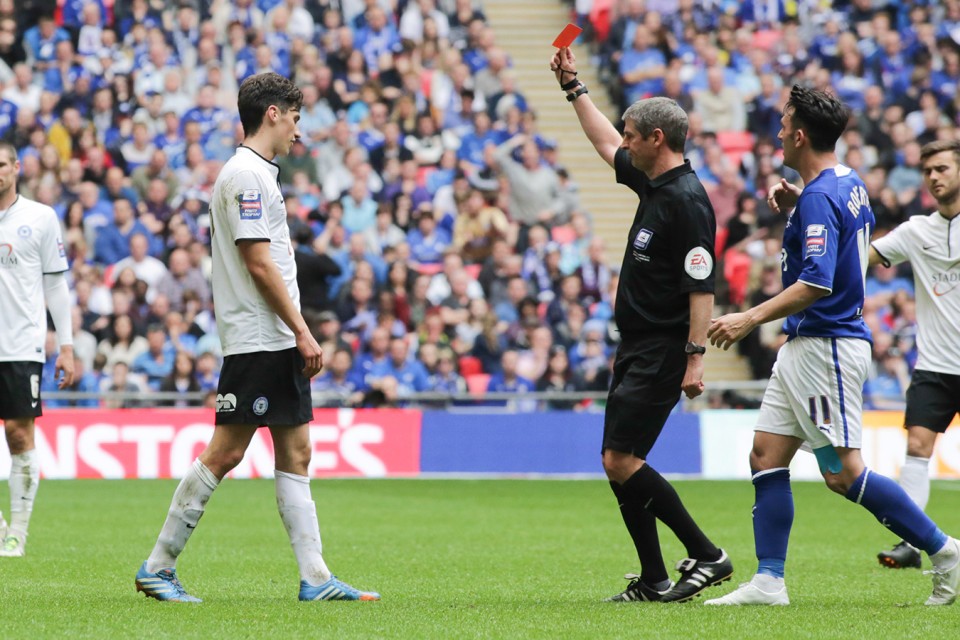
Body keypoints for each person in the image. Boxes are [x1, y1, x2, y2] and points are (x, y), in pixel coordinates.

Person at [706, 86, 959, 607]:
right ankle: (769, 582)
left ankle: (945, 551)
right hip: (805, 347)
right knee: (765, 455)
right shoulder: (843, 184)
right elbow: (852, 242)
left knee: (844, 474)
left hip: (828, 347)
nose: (776, 132)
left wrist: (749, 317)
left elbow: (818, 281)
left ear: (799, 135)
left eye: (782, 124)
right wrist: (802, 209)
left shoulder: (822, 194)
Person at [135, 73, 379, 603]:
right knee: (225, 452)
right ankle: (158, 566)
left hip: (270, 337)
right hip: (261, 337)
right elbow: (259, 263)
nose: (298, 130)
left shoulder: (257, 174)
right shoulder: (247, 176)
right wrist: (303, 330)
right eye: (294, 117)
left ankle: (315, 578)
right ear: (272, 113)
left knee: (297, 449)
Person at [549, 46, 732, 603]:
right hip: (635, 345)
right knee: (618, 464)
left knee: (621, 459)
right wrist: (574, 88)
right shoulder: (654, 183)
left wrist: (696, 357)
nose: (623, 142)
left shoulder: (688, 202)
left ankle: (707, 555)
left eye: (633, 134)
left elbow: (702, 286)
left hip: (663, 349)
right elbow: (604, 141)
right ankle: (654, 578)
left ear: (657, 139)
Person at [867, 139, 960, 570]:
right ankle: (912, 539)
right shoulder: (916, 230)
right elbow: (863, 256)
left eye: (942, 168)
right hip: (936, 365)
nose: (934, 177)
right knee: (918, 445)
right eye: (928, 171)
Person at [0, 141, 75, 557]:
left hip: (21, 343)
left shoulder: (41, 218)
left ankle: (18, 534)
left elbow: (55, 284)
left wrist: (65, 345)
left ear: (16, 168)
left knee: (17, 432)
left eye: (2, 165)